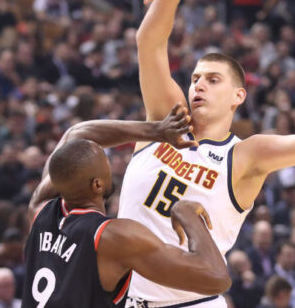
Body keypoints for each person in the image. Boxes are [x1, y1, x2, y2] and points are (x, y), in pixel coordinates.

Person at [117, 0, 295, 307]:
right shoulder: (165, 119)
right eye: (195, 78)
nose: (199, 84)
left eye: (213, 80)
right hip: (125, 299)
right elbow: (149, 44)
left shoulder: (245, 155)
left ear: (238, 96)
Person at [22, 105, 231, 308]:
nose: (110, 161)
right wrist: (187, 214)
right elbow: (216, 278)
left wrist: (158, 131)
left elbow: (75, 135)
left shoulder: (39, 209)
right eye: (105, 159)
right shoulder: (111, 237)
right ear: (97, 184)